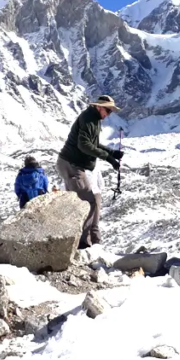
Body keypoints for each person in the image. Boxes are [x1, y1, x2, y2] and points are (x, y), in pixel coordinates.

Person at [56, 95, 124, 248]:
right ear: (99, 107)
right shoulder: (88, 119)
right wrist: (109, 158)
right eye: (108, 110)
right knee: (88, 201)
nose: (109, 114)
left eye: (111, 111)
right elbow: (84, 145)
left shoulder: (94, 120)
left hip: (73, 165)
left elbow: (94, 143)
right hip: (71, 165)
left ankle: (86, 241)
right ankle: (82, 243)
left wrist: (112, 153)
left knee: (86, 202)